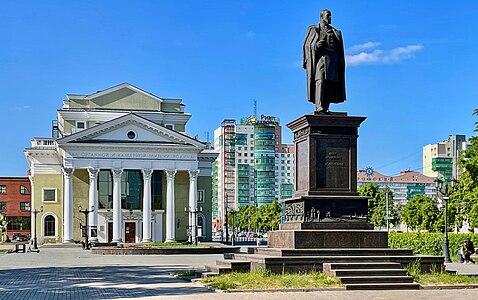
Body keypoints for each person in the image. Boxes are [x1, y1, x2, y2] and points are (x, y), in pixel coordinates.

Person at [303, 9, 346, 113]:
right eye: (328, 16)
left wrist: (340, 61)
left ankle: (326, 106)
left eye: (330, 16)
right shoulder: (313, 29)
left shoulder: (336, 32)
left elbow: (340, 49)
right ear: (321, 17)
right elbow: (306, 45)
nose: (330, 18)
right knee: (320, 81)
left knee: (330, 83)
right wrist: (315, 46)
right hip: (321, 59)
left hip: (333, 60)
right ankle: (319, 106)